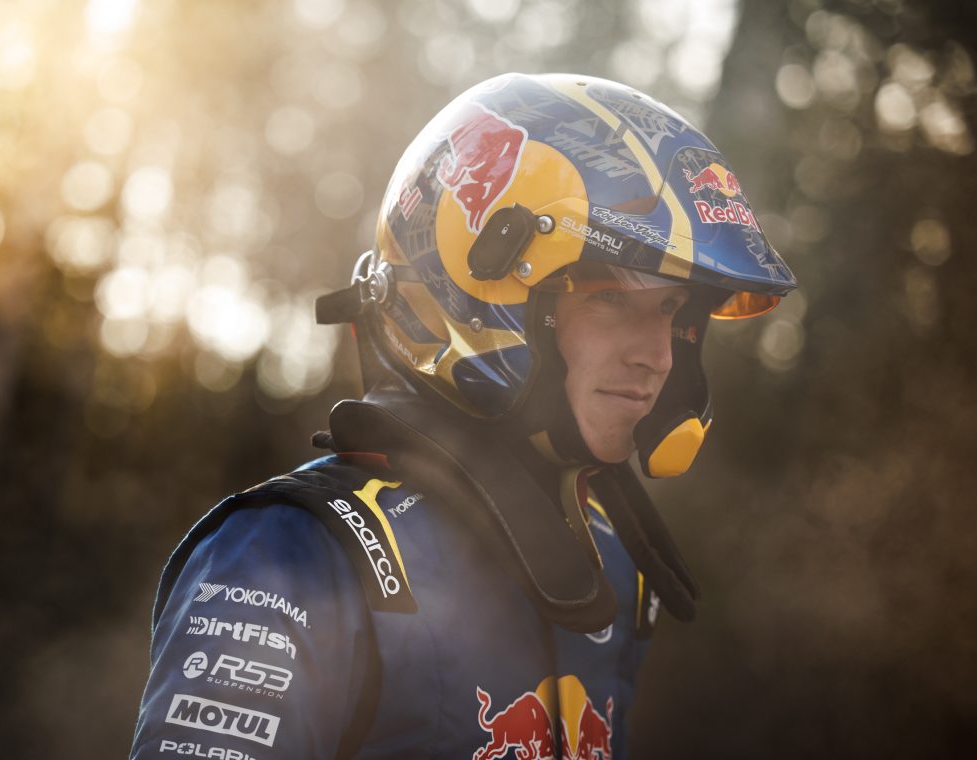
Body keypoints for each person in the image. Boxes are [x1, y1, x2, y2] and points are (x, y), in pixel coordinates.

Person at [129, 73, 795, 760]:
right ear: (482, 295)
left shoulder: (615, 556)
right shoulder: (291, 549)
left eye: (673, 311)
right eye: (610, 299)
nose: (657, 356)